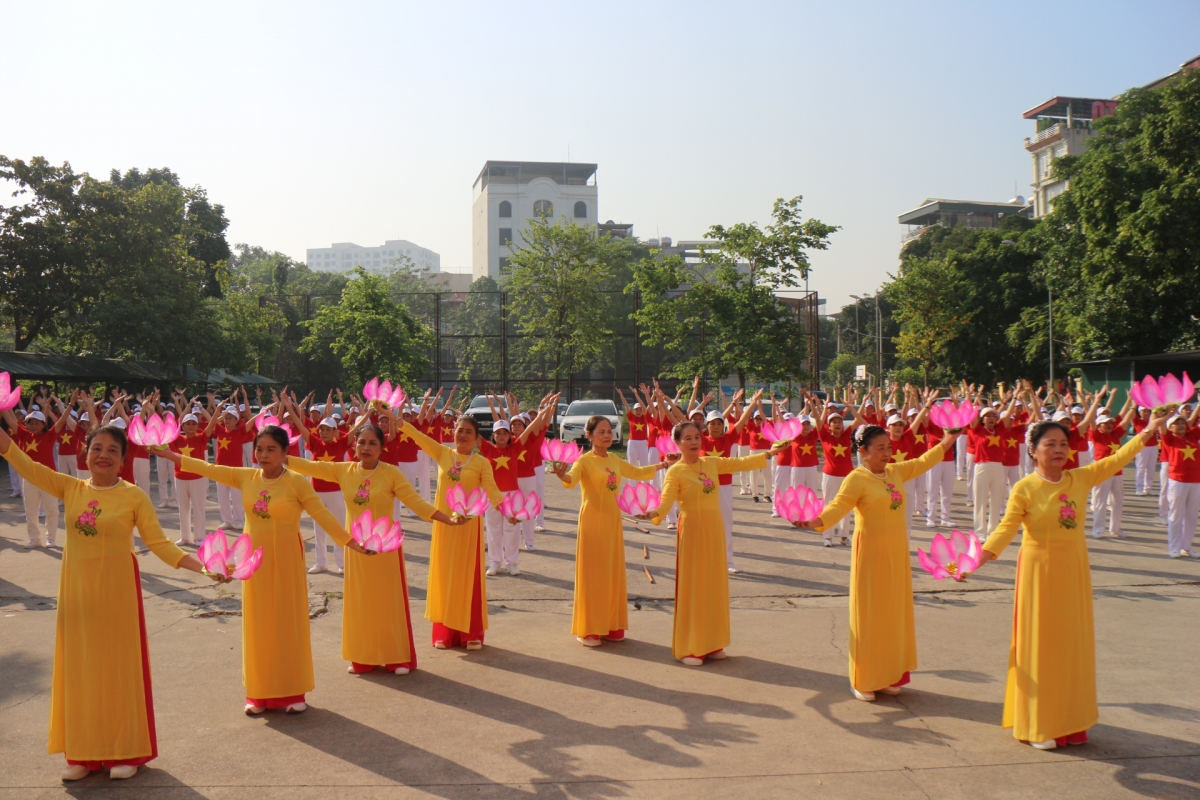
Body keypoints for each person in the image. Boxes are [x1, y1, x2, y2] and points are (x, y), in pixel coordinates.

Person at [0, 421, 222, 781]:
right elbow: (19, 458)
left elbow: (161, 544)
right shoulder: (70, 487)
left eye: (112, 450)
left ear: (123, 460)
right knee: (81, 670)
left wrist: (207, 569)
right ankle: (83, 753)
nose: (103, 455)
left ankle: (126, 749)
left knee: (119, 671)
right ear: (86, 454)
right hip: (77, 596)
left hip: (118, 595)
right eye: (97, 448)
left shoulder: (134, 496)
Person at [973, 415, 1164, 749]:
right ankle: (1038, 723)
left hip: (1073, 573)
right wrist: (978, 559)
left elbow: (1119, 458)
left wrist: (1149, 430)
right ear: (1033, 451)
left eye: (1064, 444)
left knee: (1070, 646)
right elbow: (1006, 528)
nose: (1059, 450)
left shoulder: (1080, 478)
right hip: (1038, 574)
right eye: (1050, 444)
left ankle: (1070, 721)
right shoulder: (1025, 487)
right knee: (1041, 646)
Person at [157, 426, 370, 714]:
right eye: (259, 449)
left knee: (286, 623)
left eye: (271, 449)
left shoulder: (296, 482)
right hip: (251, 563)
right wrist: (169, 454)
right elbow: (208, 467)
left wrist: (350, 543)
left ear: (285, 453)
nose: (263, 455)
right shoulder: (246, 477)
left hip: (286, 561)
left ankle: (292, 692)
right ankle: (259, 693)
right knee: (259, 624)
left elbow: (322, 514)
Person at [282, 399, 465, 674]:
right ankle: (362, 657)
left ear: (381, 448)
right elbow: (306, 466)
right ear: (354, 445)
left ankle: (396, 657)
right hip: (356, 550)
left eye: (372, 444)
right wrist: (274, 454)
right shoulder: (343, 471)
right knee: (360, 603)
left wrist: (446, 519)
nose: (366, 448)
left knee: (387, 602)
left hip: (386, 549)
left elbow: (415, 502)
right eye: (361, 442)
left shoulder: (391, 473)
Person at [794, 423, 960, 701]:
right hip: (870, 555)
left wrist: (947, 441)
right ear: (864, 451)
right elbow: (838, 506)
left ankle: (888, 674)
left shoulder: (895, 471)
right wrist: (815, 522)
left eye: (889, 447)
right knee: (869, 617)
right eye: (880, 448)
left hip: (896, 556)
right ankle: (864, 679)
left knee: (892, 615)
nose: (887, 452)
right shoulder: (857, 478)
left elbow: (922, 461)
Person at [639, 419, 785, 666]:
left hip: (714, 529)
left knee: (714, 585)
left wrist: (770, 453)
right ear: (677, 443)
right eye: (688, 438)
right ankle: (692, 647)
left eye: (697, 437)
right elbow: (666, 500)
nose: (694, 442)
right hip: (693, 532)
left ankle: (713, 642)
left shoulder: (712, 463)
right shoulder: (675, 471)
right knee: (695, 587)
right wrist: (653, 514)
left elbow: (740, 463)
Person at [550, 415, 665, 646]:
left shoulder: (614, 459)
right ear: (589, 435)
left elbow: (638, 472)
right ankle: (590, 628)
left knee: (611, 571)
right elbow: (571, 480)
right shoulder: (584, 461)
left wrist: (664, 464)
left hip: (613, 521)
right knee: (593, 573)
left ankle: (611, 624)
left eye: (609, 431)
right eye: (601, 432)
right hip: (592, 521)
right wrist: (563, 475)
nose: (606, 436)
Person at [399, 414, 503, 650]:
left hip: (468, 527)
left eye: (469, 431)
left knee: (468, 576)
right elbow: (418, 436)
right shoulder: (444, 454)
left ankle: (471, 633)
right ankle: (445, 633)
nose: (463, 434)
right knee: (445, 575)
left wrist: (507, 510)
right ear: (453, 433)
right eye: (460, 429)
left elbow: (492, 489)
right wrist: (394, 419)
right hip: (445, 525)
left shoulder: (481, 463)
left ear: (477, 440)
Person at [2, 397, 71, 548]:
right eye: (30, 423)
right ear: (26, 424)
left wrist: (70, 404)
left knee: (51, 509)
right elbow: (10, 420)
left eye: (36, 423)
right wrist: (2, 404)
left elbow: (62, 420)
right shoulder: (23, 434)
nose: (33, 426)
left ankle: (51, 538)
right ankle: (35, 539)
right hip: (29, 477)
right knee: (31, 511)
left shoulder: (50, 435)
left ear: (43, 425)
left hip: (48, 478)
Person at [294, 415, 350, 573]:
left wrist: (368, 412)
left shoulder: (341, 444)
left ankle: (342, 563)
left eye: (327, 429)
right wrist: (289, 408)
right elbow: (301, 426)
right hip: (317, 492)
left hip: (336, 492)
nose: (324, 432)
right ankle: (321, 562)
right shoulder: (315, 443)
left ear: (334, 431)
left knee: (338, 526)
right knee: (318, 529)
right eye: (322, 429)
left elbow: (356, 430)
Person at [966, 397, 1017, 538]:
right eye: (988, 415)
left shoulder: (1000, 429)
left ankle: (993, 530)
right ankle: (980, 531)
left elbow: (1007, 414)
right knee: (980, 499)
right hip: (982, 466)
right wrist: (970, 398)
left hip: (999, 467)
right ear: (982, 419)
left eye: (994, 415)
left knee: (996, 499)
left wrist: (1015, 397)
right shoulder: (977, 430)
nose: (992, 418)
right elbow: (971, 415)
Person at [815, 401, 862, 546]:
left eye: (839, 422)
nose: (837, 424)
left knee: (846, 506)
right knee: (829, 505)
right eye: (833, 422)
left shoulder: (846, 435)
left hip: (847, 476)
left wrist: (850, 407)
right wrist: (813, 404)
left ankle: (844, 536)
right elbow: (818, 420)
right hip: (830, 475)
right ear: (829, 426)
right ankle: (827, 536)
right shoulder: (825, 436)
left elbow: (859, 420)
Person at [1089, 399, 1135, 539]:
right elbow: (1090, 420)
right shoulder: (1096, 435)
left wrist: (1134, 404)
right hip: (1102, 472)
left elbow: (1126, 420)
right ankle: (1098, 529)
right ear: (1099, 425)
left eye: (1110, 423)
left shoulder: (1115, 434)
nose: (1109, 425)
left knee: (1117, 501)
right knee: (1100, 501)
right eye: (1105, 423)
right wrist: (1094, 400)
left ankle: (1115, 529)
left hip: (1117, 472)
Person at [1158, 408, 1200, 558]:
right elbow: (1161, 425)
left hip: (1196, 481)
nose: (1181, 425)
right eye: (1177, 423)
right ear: (1170, 427)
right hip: (1177, 481)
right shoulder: (1169, 438)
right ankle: (1174, 547)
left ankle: (1187, 547)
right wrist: (1161, 414)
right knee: (1176, 515)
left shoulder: (1193, 435)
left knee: (1192, 516)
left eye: (1183, 422)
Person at [168, 412, 211, 546]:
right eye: (188, 424)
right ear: (183, 426)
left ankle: (199, 537)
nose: (191, 426)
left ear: (197, 426)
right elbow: (169, 428)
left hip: (197, 477)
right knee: (183, 508)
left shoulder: (201, 438)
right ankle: (185, 537)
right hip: (180, 477)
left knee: (198, 507)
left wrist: (217, 409)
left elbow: (212, 424)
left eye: (193, 424)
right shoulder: (177, 439)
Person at [1131, 406, 1158, 496]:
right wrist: (1132, 402)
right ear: (1140, 412)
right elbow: (1132, 413)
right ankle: (1139, 488)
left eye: (1147, 411)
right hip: (1142, 447)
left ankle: (1148, 488)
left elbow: (1156, 413)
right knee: (1141, 468)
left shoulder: (1152, 421)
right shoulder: (1137, 421)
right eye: (1143, 411)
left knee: (1151, 468)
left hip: (1153, 446)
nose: (1146, 413)